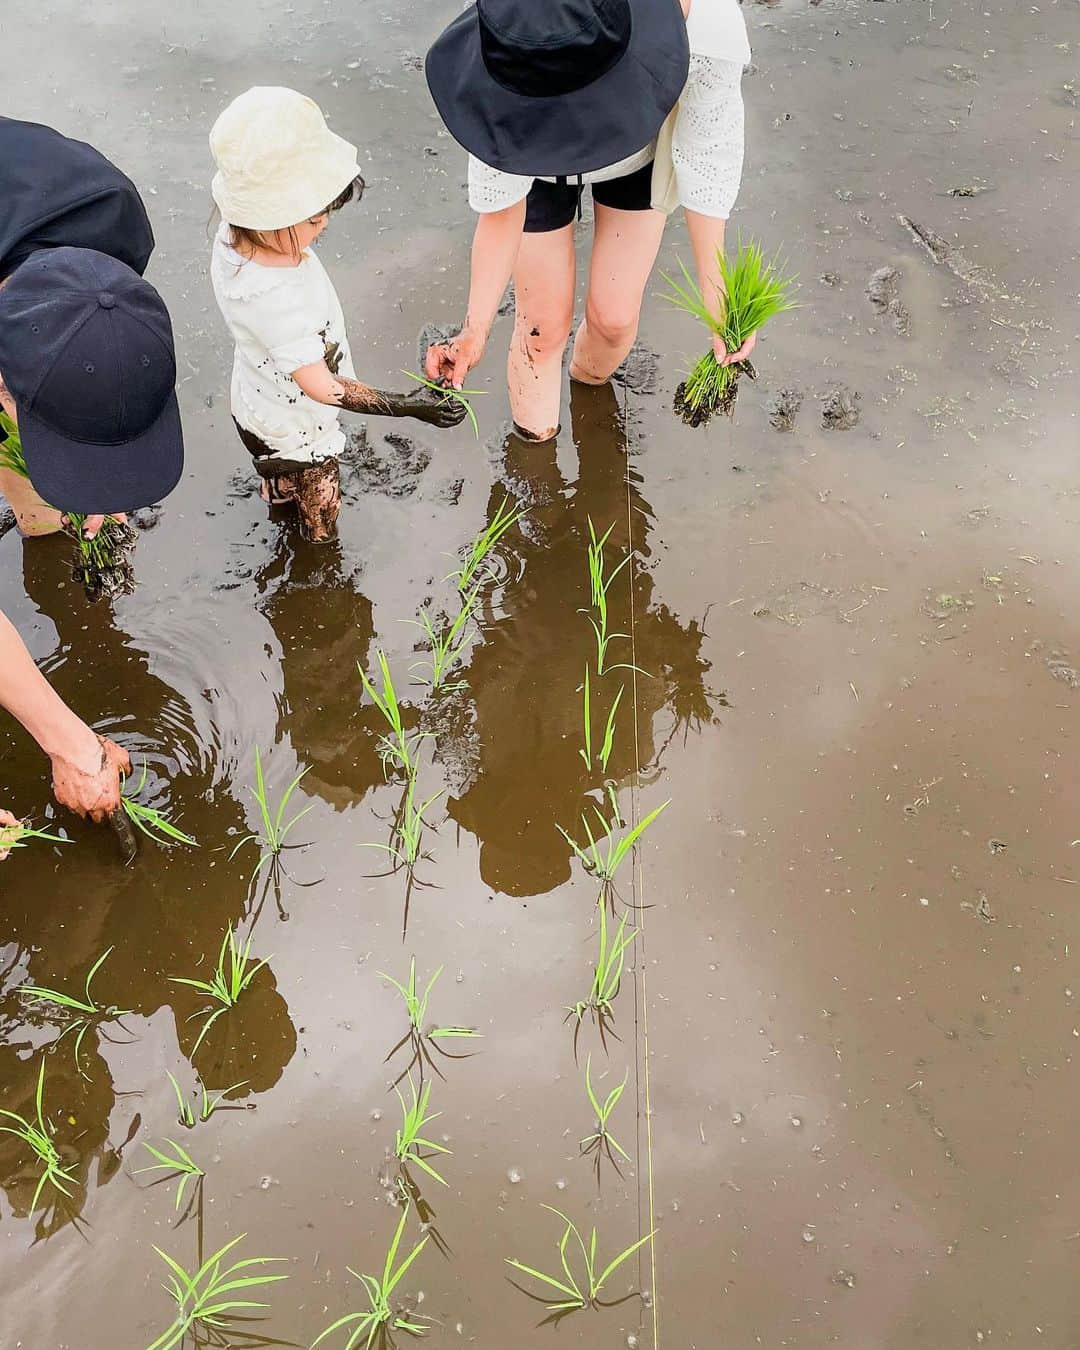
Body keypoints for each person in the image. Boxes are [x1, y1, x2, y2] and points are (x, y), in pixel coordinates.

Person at [424, 0, 754, 441]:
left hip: (635, 142)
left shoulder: (706, 29)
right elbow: (501, 212)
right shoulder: (507, 43)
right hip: (529, 148)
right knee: (542, 326)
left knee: (614, 320)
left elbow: (705, 158)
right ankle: (536, 451)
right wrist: (473, 330)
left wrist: (717, 296)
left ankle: (588, 391)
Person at [0, 118, 186, 835]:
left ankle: (39, 517)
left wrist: (95, 481)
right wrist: (68, 743)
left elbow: (93, 346)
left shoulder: (111, 218)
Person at [209, 87, 468, 544]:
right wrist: (410, 406)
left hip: (258, 400)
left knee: (281, 478)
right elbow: (325, 389)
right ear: (270, 217)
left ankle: (280, 498)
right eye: (312, 217)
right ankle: (319, 564)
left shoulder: (234, 239)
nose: (324, 222)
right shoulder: (273, 299)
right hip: (295, 427)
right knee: (323, 505)